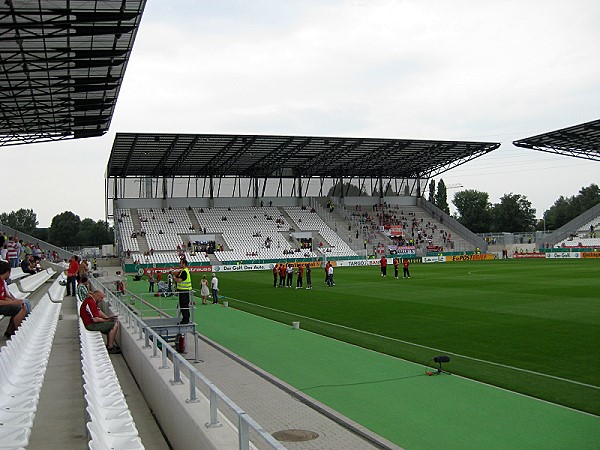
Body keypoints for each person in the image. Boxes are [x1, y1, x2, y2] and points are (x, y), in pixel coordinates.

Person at [79, 290, 120, 354]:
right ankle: (110, 347)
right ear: (97, 296)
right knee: (114, 324)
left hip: (90, 323)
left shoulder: (91, 300)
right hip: (90, 325)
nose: (102, 300)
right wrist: (108, 320)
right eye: (101, 298)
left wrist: (108, 318)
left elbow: (98, 311)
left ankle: (110, 345)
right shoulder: (90, 302)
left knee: (111, 323)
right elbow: (96, 319)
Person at [0, 260, 28, 338]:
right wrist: (13, 303)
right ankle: (16, 332)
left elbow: (5, 296)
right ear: (7, 272)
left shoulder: (2, 281)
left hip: (2, 304)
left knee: (22, 305)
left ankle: (11, 331)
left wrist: (16, 301)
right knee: (17, 309)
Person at [173, 259, 192, 324]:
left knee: (184, 306)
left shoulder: (184, 272)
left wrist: (175, 279)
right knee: (183, 305)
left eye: (180, 263)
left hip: (184, 291)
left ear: (184, 264)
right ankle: (185, 318)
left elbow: (179, 280)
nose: (179, 264)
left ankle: (185, 320)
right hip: (183, 291)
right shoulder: (183, 271)